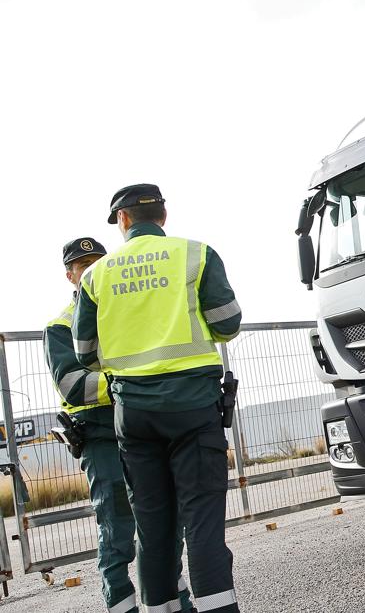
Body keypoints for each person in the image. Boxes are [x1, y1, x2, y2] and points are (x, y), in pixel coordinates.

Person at [73, 184, 243, 613]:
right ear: (163, 216)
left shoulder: (96, 275)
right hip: (193, 406)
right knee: (202, 521)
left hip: (134, 415)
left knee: (152, 526)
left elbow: (84, 352)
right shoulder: (196, 253)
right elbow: (228, 324)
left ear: (124, 220)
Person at [45, 238, 195, 613]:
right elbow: (73, 385)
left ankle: (175, 603)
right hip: (101, 436)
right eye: (83, 266)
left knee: (165, 524)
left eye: (98, 262)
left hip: (145, 430)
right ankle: (122, 606)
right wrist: (131, 382)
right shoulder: (60, 326)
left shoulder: (125, 312)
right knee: (117, 532)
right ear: (70, 276)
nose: (91, 269)